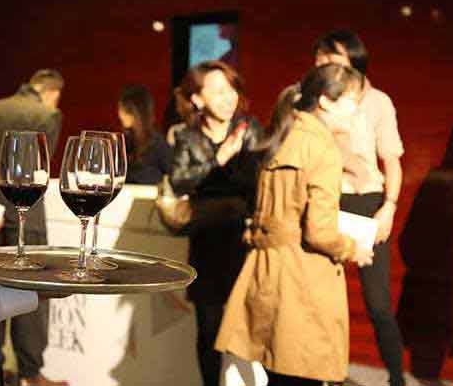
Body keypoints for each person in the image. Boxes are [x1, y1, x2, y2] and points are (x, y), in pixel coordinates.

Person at [216, 63, 373, 386]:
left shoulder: (284, 136)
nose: (357, 112)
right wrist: (352, 247)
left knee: (277, 372)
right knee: (301, 374)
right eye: (352, 102)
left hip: (268, 272)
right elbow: (319, 232)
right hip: (303, 281)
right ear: (326, 101)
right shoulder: (322, 148)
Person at [310, 30, 408, 386]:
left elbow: (392, 160)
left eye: (330, 58)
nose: (321, 64)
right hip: (326, 199)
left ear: (353, 60)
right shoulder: (312, 98)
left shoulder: (378, 101)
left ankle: (396, 378)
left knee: (378, 303)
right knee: (320, 298)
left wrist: (389, 207)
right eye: (319, 58)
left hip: (367, 202)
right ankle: (324, 374)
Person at [169, 60, 263, 386]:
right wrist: (217, 159)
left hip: (244, 239)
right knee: (208, 328)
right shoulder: (188, 136)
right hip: (206, 242)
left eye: (231, 89)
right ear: (197, 99)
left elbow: (259, 182)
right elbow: (179, 181)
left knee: (252, 324)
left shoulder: (248, 128)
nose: (228, 97)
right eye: (218, 91)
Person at [0, 68, 64, 386]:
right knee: (32, 291)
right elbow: (41, 167)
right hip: (29, 215)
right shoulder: (47, 115)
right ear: (52, 92)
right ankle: (31, 372)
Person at [118, 84, 173, 184]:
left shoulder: (158, 144)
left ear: (132, 113)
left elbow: (172, 175)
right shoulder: (124, 142)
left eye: (121, 109)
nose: (119, 115)